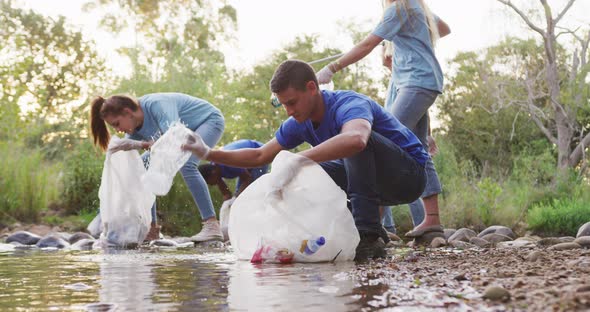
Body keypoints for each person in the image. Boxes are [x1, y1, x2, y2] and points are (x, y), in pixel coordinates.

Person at [182, 60, 428, 261]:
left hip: (409, 177)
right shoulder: (298, 121)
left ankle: (369, 235)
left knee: (340, 147)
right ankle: (332, 232)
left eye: (292, 102)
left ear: (312, 88)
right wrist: (208, 153)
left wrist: (299, 158)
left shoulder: (349, 103)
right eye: (283, 104)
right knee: (303, 170)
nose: (288, 111)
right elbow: (260, 156)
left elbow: (357, 139)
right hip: (375, 183)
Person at [316, 0, 450, 238]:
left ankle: (374, 224)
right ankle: (430, 220)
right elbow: (444, 29)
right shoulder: (418, 8)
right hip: (421, 82)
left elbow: (368, 43)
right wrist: (408, 39)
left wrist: (331, 68)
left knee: (381, 143)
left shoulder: (400, 8)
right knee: (418, 147)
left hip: (416, 82)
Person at [90, 92, 225, 242]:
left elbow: (174, 140)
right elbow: (134, 164)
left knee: (187, 163)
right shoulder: (134, 128)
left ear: (127, 113)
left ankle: (212, 225)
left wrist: (140, 144)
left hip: (208, 121)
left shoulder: (157, 104)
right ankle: (151, 229)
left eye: (116, 124)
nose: (118, 130)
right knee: (141, 167)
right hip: (184, 134)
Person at [199, 139, 268, 200]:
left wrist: (236, 198)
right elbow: (227, 194)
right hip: (246, 161)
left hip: (257, 151)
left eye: (208, 182)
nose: (210, 185)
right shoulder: (217, 173)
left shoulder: (227, 164)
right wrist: (227, 206)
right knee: (240, 194)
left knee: (255, 191)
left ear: (213, 173)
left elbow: (247, 178)